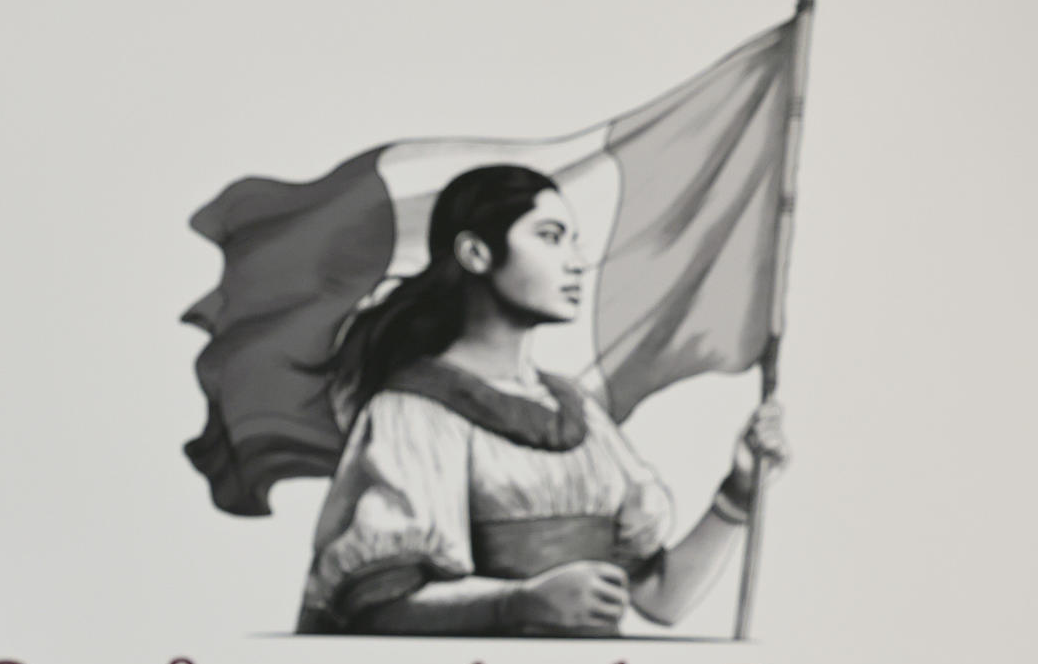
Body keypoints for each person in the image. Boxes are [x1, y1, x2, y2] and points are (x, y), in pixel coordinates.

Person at [297, 164, 789, 636]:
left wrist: (738, 493)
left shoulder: (580, 413)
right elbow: (378, 609)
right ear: (475, 253)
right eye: (550, 237)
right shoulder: (413, 411)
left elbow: (661, 599)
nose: (576, 261)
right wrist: (519, 602)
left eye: (572, 240)